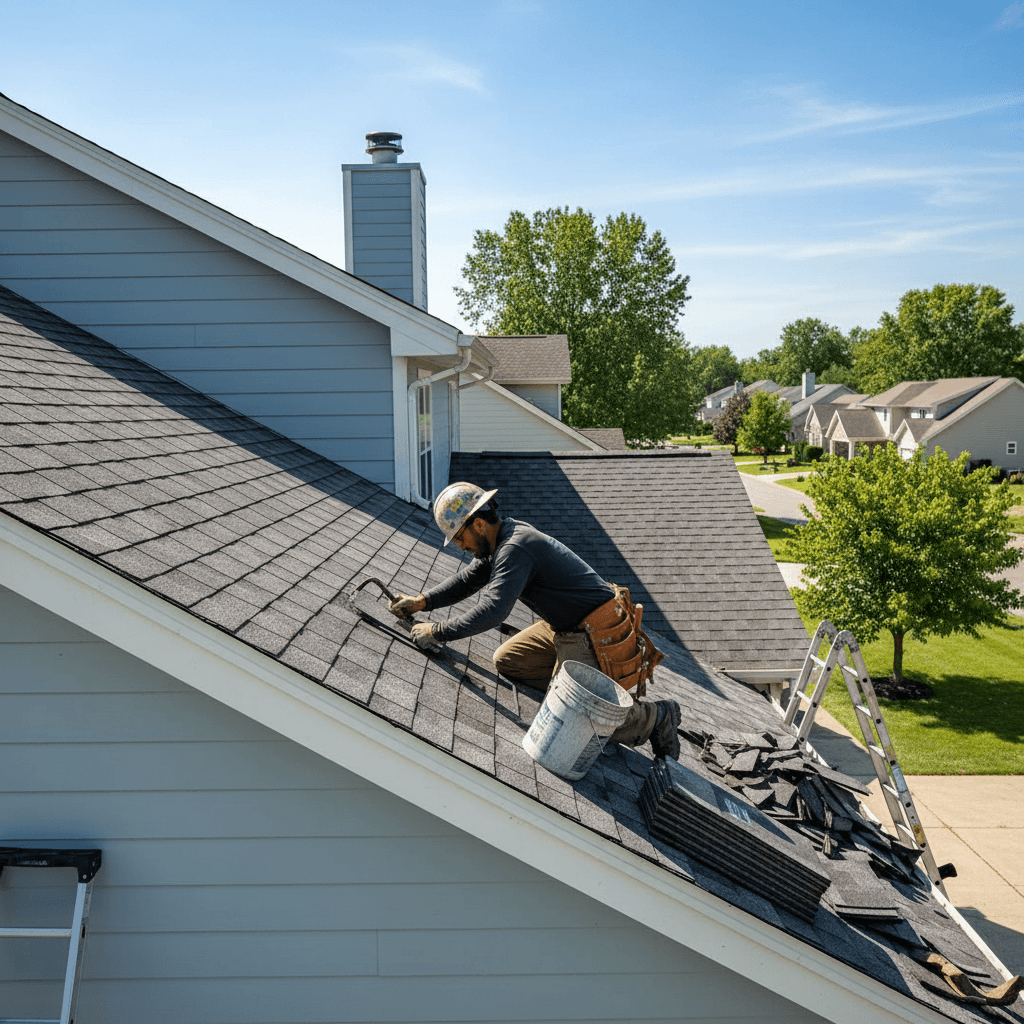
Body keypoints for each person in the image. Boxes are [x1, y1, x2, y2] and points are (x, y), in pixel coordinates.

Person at [389, 482, 681, 760]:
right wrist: (423, 601)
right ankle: (568, 683)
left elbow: (494, 610)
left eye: (459, 538)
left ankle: (655, 717)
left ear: (478, 524)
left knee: (571, 721)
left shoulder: (515, 547)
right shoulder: (498, 541)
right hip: (564, 627)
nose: (459, 546)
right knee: (508, 660)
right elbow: (468, 580)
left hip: (595, 632)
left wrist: (438, 632)